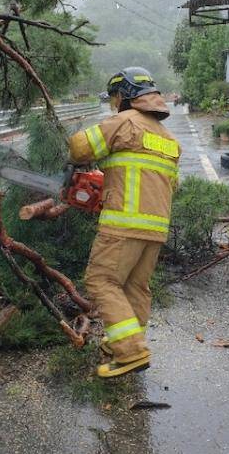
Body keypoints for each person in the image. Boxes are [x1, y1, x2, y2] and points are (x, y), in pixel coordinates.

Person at [68, 67, 180, 378]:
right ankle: (124, 344)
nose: (113, 104)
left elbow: (79, 148)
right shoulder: (169, 139)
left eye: (115, 98)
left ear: (125, 96)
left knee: (101, 281)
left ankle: (131, 351)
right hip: (155, 229)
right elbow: (167, 183)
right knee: (136, 287)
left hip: (123, 225)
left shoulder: (124, 122)